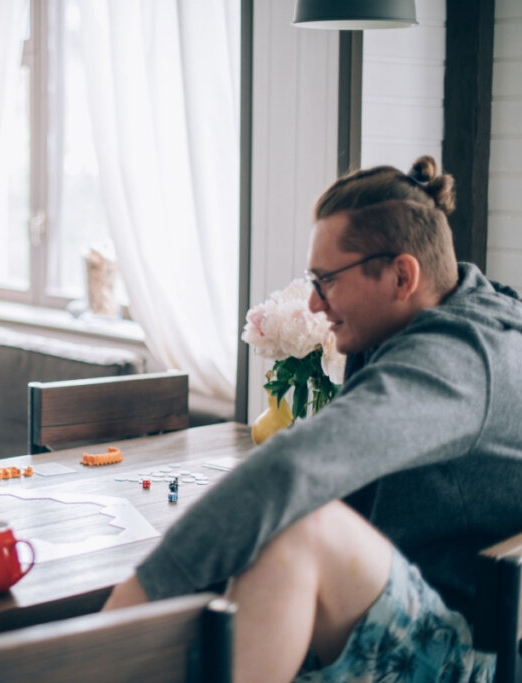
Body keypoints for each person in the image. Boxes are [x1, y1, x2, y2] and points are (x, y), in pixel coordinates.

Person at [104, 156, 522, 682]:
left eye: (326, 280)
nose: (315, 302)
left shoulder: (460, 359)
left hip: (469, 654)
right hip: (423, 606)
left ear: (401, 275)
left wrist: (140, 593)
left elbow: (294, 470)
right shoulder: (427, 325)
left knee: (300, 529)